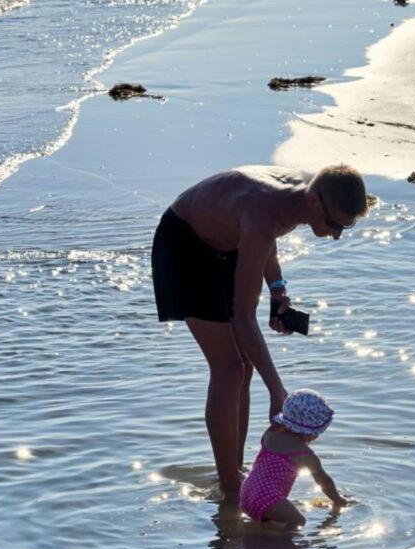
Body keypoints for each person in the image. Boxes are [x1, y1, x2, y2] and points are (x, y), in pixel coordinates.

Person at [151, 164, 367, 500]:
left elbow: (268, 237)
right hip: (185, 245)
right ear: (314, 201)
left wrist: (277, 289)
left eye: (345, 228)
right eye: (335, 225)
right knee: (230, 368)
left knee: (245, 364)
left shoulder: (304, 195)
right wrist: (276, 390)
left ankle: (235, 470)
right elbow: (244, 317)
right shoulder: (263, 211)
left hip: (228, 241)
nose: (337, 235)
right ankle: (230, 490)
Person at [240, 389, 347, 527]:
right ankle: (280, 545)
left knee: (270, 520)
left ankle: (261, 534)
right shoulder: (304, 453)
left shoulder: (270, 435)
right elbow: (323, 480)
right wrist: (337, 500)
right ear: (312, 434)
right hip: (268, 498)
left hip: (247, 491)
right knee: (298, 522)